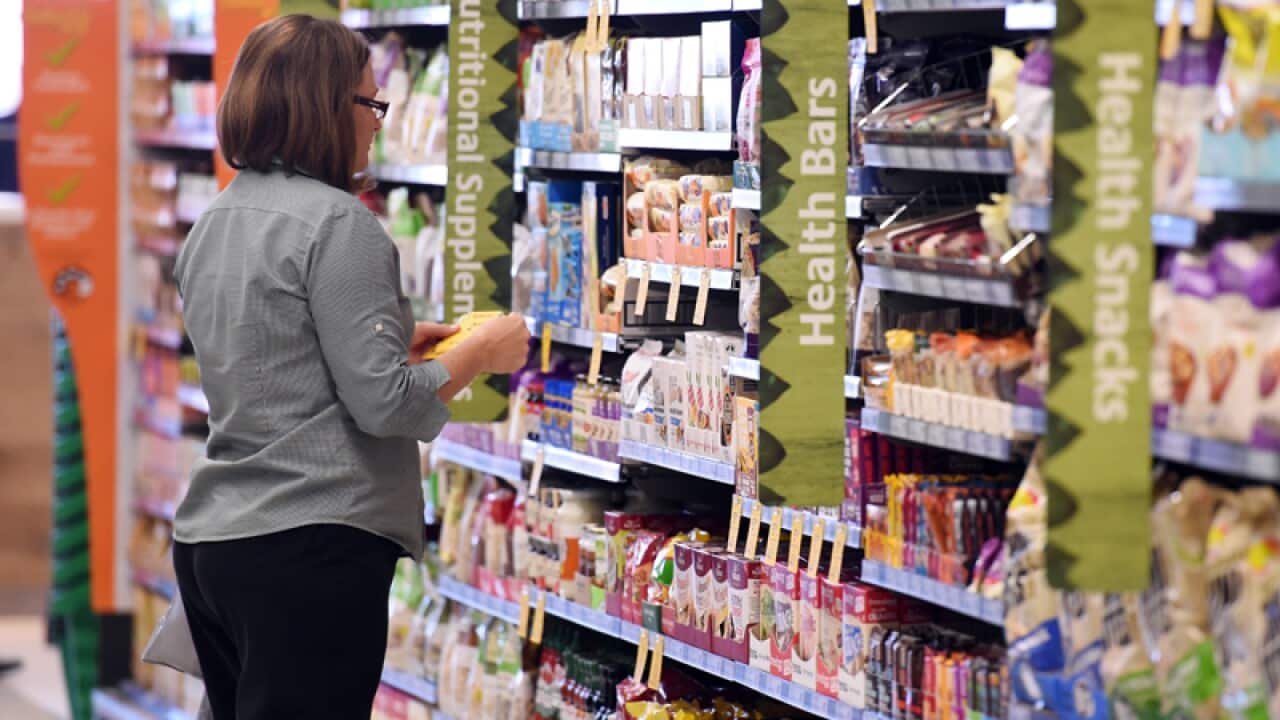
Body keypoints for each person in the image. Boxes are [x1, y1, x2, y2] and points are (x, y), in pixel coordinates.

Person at [170, 15, 530, 719]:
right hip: (309, 547)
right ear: (326, 108)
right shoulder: (339, 224)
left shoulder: (218, 217)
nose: (376, 125)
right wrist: (479, 354)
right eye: (370, 104)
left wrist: (393, 336)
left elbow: (271, 352)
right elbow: (387, 406)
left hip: (216, 541)